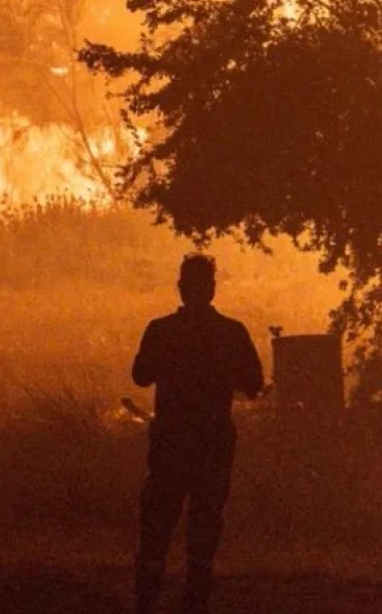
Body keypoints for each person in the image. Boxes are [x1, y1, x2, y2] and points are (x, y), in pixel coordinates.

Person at [132, 253, 263, 614]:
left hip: (171, 440)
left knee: (158, 522)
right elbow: (253, 384)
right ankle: (195, 600)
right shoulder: (231, 333)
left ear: (180, 288)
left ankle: (147, 598)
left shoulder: (160, 330)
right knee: (205, 524)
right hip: (213, 441)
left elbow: (141, 376)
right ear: (212, 290)